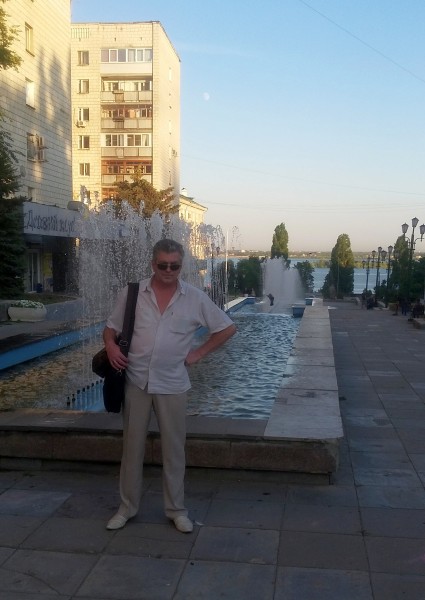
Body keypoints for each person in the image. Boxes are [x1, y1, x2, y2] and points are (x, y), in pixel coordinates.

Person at [103, 239, 236, 533]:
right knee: (131, 450)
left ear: (181, 266)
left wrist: (198, 353)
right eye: (162, 265)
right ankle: (126, 508)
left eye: (174, 266)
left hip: (173, 384)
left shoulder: (194, 298)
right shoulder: (133, 293)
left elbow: (227, 328)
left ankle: (176, 510)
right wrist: (110, 347)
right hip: (136, 381)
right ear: (153, 264)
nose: (168, 270)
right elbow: (110, 328)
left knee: (174, 452)